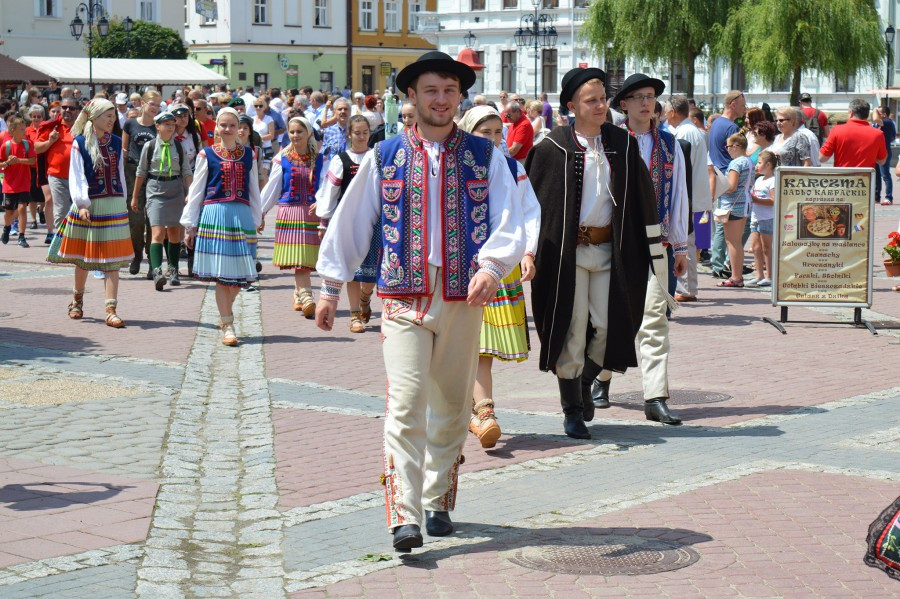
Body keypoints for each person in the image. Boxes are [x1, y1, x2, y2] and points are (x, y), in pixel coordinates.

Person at [314, 51, 524, 552]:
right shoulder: (385, 155)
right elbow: (353, 219)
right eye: (431, 90)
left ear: (459, 96)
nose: (441, 99)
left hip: (462, 294)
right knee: (406, 404)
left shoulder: (484, 154)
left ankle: (437, 499)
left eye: (450, 90)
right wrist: (327, 286)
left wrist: (493, 266)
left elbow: (510, 218)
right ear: (412, 96)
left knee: (452, 406)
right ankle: (403, 514)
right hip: (404, 293)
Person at [527, 68, 666, 440]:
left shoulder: (621, 143)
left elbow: (641, 197)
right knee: (572, 331)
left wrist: (656, 248)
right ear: (572, 106)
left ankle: (584, 382)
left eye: (603, 98)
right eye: (592, 100)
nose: (601, 105)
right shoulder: (550, 147)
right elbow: (536, 205)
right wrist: (530, 251)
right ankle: (572, 410)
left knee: (611, 326)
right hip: (566, 257)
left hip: (611, 251)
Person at [596, 73, 688, 426]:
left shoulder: (669, 145)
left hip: (657, 244)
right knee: (611, 317)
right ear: (624, 105)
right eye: (638, 97)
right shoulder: (609, 142)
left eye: (650, 97)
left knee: (654, 322)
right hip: (617, 243)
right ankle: (602, 378)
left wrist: (680, 246)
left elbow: (678, 194)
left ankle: (655, 397)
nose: (646, 103)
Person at [458, 105, 540, 449]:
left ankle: (482, 412)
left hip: (494, 268)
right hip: (458, 266)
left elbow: (528, 211)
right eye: (484, 132)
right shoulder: (455, 165)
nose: (492, 139)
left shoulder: (512, 166)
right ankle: (468, 413)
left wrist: (527, 251)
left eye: (496, 131)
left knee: (481, 348)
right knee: (457, 345)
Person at [47, 99, 133, 327]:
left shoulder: (116, 142)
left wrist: (122, 200)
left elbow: (121, 175)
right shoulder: (80, 142)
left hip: (113, 204)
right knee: (83, 259)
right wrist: (82, 203)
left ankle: (111, 309)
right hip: (90, 205)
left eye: (113, 115)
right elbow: (77, 175)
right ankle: (77, 300)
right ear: (93, 117)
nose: (112, 119)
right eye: (107, 115)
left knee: (113, 260)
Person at [181, 108, 263, 346]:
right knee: (221, 276)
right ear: (216, 127)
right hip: (215, 214)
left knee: (240, 274)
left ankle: (226, 315)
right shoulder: (207, 154)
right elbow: (196, 191)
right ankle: (228, 324)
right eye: (223, 125)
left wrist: (257, 217)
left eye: (231, 125)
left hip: (241, 215)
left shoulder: (249, 154)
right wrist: (190, 225)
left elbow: (253, 188)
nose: (227, 129)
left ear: (239, 128)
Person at [314, 115, 375, 331]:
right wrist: (324, 220)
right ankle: (354, 315)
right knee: (352, 269)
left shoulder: (376, 157)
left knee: (370, 272)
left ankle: (366, 298)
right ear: (349, 134)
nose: (361, 136)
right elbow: (330, 191)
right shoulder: (341, 160)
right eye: (357, 132)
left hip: (373, 220)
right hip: (348, 220)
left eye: (365, 132)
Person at [259, 116, 324, 317]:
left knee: (306, 259)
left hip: (312, 213)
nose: (295, 136)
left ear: (309, 133)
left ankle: (298, 293)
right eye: (292, 132)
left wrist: (322, 202)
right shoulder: (282, 159)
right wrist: (260, 212)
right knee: (299, 260)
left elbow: (326, 186)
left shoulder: (321, 159)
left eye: (299, 131)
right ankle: (307, 296)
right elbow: (273, 188)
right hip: (290, 211)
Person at [133, 111, 192, 290]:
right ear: (157, 126)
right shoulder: (150, 146)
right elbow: (141, 172)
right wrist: (135, 196)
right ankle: (157, 270)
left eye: (172, 124)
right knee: (157, 232)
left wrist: (191, 194)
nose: (170, 127)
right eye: (166, 124)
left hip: (175, 189)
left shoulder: (179, 147)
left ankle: (173, 269)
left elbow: (187, 172)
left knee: (174, 233)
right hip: (155, 190)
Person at [667, 96, 710, 303]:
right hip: (696, 193)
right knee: (690, 242)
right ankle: (687, 287)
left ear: (673, 112)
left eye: (667, 110)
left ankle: (686, 289)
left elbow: (683, 168)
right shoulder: (691, 130)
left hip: (690, 194)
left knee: (687, 241)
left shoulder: (684, 132)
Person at [123, 90, 162, 276]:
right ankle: (137, 254)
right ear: (143, 103)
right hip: (132, 174)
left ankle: (152, 259)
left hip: (153, 174)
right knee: (136, 220)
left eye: (158, 105)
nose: (155, 108)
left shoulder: (159, 127)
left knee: (152, 220)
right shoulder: (130, 124)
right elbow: (124, 150)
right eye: (152, 104)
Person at [708, 91, 746, 280]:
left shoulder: (716, 124)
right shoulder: (731, 128)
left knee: (723, 223)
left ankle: (719, 263)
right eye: (742, 104)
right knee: (733, 227)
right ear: (732, 104)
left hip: (718, 176)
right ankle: (723, 264)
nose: (744, 108)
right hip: (730, 179)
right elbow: (738, 154)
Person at [715, 133, 753, 288]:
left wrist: (717, 181)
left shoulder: (736, 163)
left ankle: (736, 277)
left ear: (736, 146)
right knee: (736, 242)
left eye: (728, 147)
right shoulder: (748, 161)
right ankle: (737, 276)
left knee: (732, 242)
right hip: (744, 204)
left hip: (733, 206)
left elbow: (731, 187)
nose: (727, 150)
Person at [1, 115, 37, 247]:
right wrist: (7, 162)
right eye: (21, 129)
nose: (24, 131)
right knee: (9, 212)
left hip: (24, 183)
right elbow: (1, 163)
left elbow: (33, 161)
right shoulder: (6, 146)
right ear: (13, 131)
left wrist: (18, 160)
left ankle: (22, 236)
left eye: (24, 129)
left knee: (22, 209)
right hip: (9, 185)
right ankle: (7, 227)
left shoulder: (28, 144)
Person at [818, 99, 887, 168]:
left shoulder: (836, 130)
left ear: (851, 113)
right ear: (867, 114)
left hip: (842, 177)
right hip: (866, 177)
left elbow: (822, 158)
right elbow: (882, 161)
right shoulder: (878, 134)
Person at [747, 150, 776, 287]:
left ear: (769, 165)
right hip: (756, 217)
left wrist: (756, 200)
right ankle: (759, 275)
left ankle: (769, 276)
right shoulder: (758, 179)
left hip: (767, 218)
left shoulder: (773, 180)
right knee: (755, 247)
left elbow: (773, 200)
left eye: (759, 163)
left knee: (766, 248)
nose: (757, 166)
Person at [873, 106, 896, 205]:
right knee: (876, 175)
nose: (876, 113)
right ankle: (876, 197)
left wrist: (874, 109)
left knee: (885, 175)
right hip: (876, 152)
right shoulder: (877, 124)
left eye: (879, 112)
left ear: (884, 115)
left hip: (885, 152)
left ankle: (888, 197)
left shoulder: (887, 122)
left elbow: (875, 118)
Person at [319, 97, 351, 167]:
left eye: (345, 109)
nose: (343, 111)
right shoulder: (328, 131)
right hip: (334, 170)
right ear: (334, 112)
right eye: (340, 109)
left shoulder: (354, 130)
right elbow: (324, 154)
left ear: (350, 112)